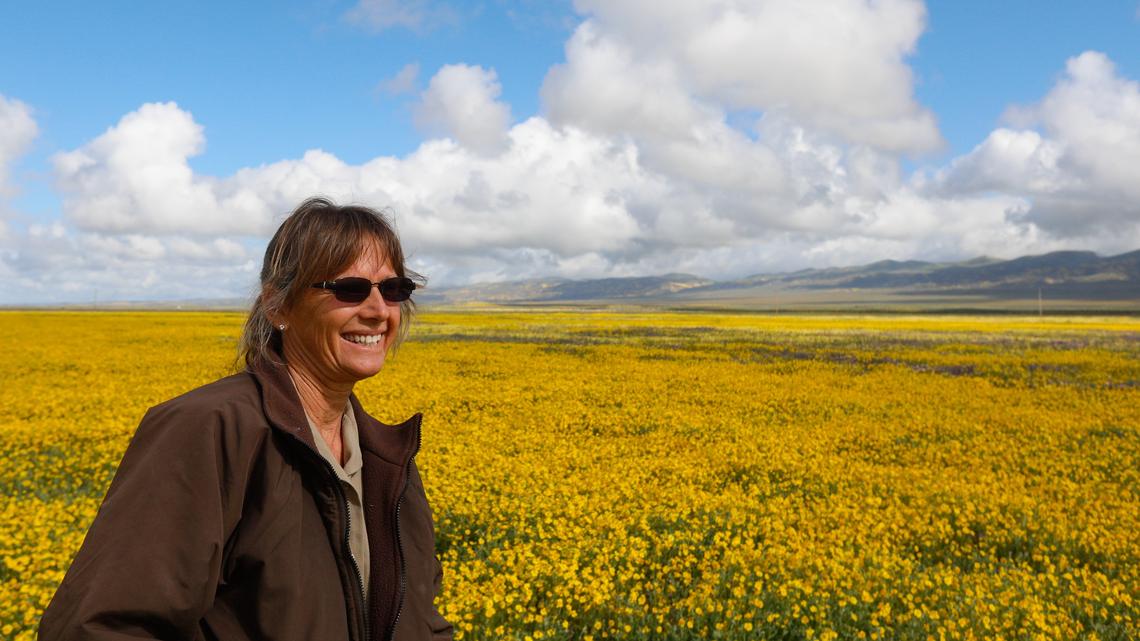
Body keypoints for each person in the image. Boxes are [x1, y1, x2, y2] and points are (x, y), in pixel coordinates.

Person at [39, 197, 453, 641]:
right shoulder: (210, 429)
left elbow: (423, 623)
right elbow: (99, 628)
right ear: (277, 306)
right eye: (350, 289)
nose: (377, 310)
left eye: (394, 290)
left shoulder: (387, 457)